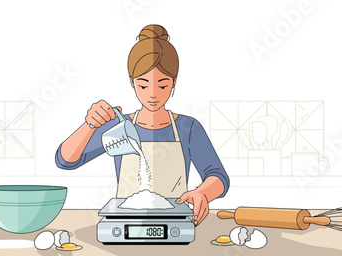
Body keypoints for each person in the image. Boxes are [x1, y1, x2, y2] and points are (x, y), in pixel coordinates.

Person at [55, 24, 229, 225]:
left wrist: (202, 193)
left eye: (162, 84)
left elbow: (218, 176)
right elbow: (66, 160)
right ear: (132, 82)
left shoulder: (187, 128)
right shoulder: (120, 126)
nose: (153, 94)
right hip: (127, 219)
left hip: (175, 220)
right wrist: (89, 125)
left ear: (174, 82)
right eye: (143, 85)